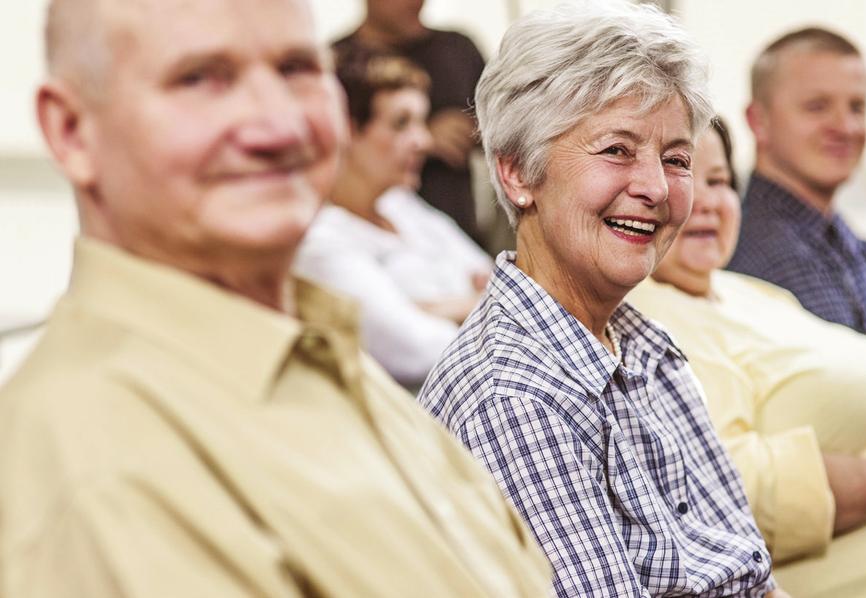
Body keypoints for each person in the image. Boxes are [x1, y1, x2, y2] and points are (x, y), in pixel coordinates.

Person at [0, 0, 553, 595]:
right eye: (201, 78)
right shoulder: (98, 459)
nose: (279, 124)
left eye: (296, 69)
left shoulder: (321, 353)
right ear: (71, 131)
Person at [418, 3, 780, 596]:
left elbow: (752, 572)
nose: (656, 188)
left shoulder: (645, 350)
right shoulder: (512, 397)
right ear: (516, 173)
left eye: (677, 159)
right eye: (616, 150)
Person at [629, 118, 866, 597]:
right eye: (684, 178)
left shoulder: (751, 294)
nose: (710, 201)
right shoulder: (647, 319)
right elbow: (718, 489)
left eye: (721, 181)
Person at [725, 27, 866, 416]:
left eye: (857, 107)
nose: (846, 127)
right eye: (817, 107)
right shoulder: (759, 254)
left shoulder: (860, 251)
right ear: (758, 121)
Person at [295, 49, 491, 388]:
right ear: (346, 131)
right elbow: (417, 350)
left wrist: (434, 308)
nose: (423, 141)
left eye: (421, 121)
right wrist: (478, 303)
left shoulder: (401, 206)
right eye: (402, 123)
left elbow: (501, 280)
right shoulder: (319, 241)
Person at [333, 0, 486, 244]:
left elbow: (506, 132)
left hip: (457, 229)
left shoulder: (457, 49)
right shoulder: (336, 62)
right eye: (401, 122)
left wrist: (477, 129)